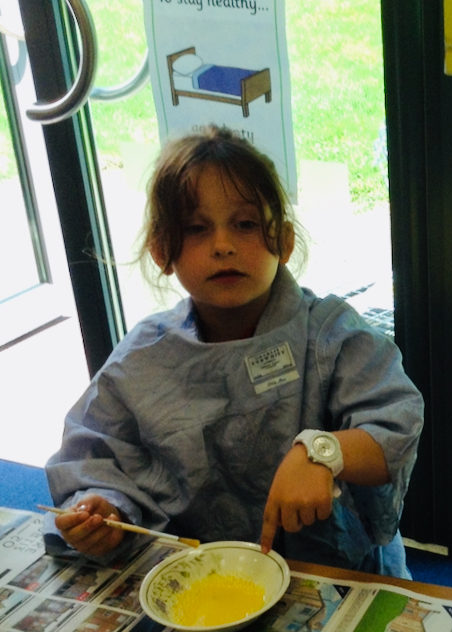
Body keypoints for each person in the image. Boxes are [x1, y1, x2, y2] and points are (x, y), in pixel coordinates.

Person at [44, 125, 423, 577]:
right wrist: (106, 511)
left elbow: (396, 425)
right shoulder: (143, 359)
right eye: (197, 229)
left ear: (282, 241)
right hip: (204, 578)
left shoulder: (328, 333)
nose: (222, 246)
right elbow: (92, 457)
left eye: (244, 225)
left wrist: (323, 451)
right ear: (163, 250)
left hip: (333, 572)